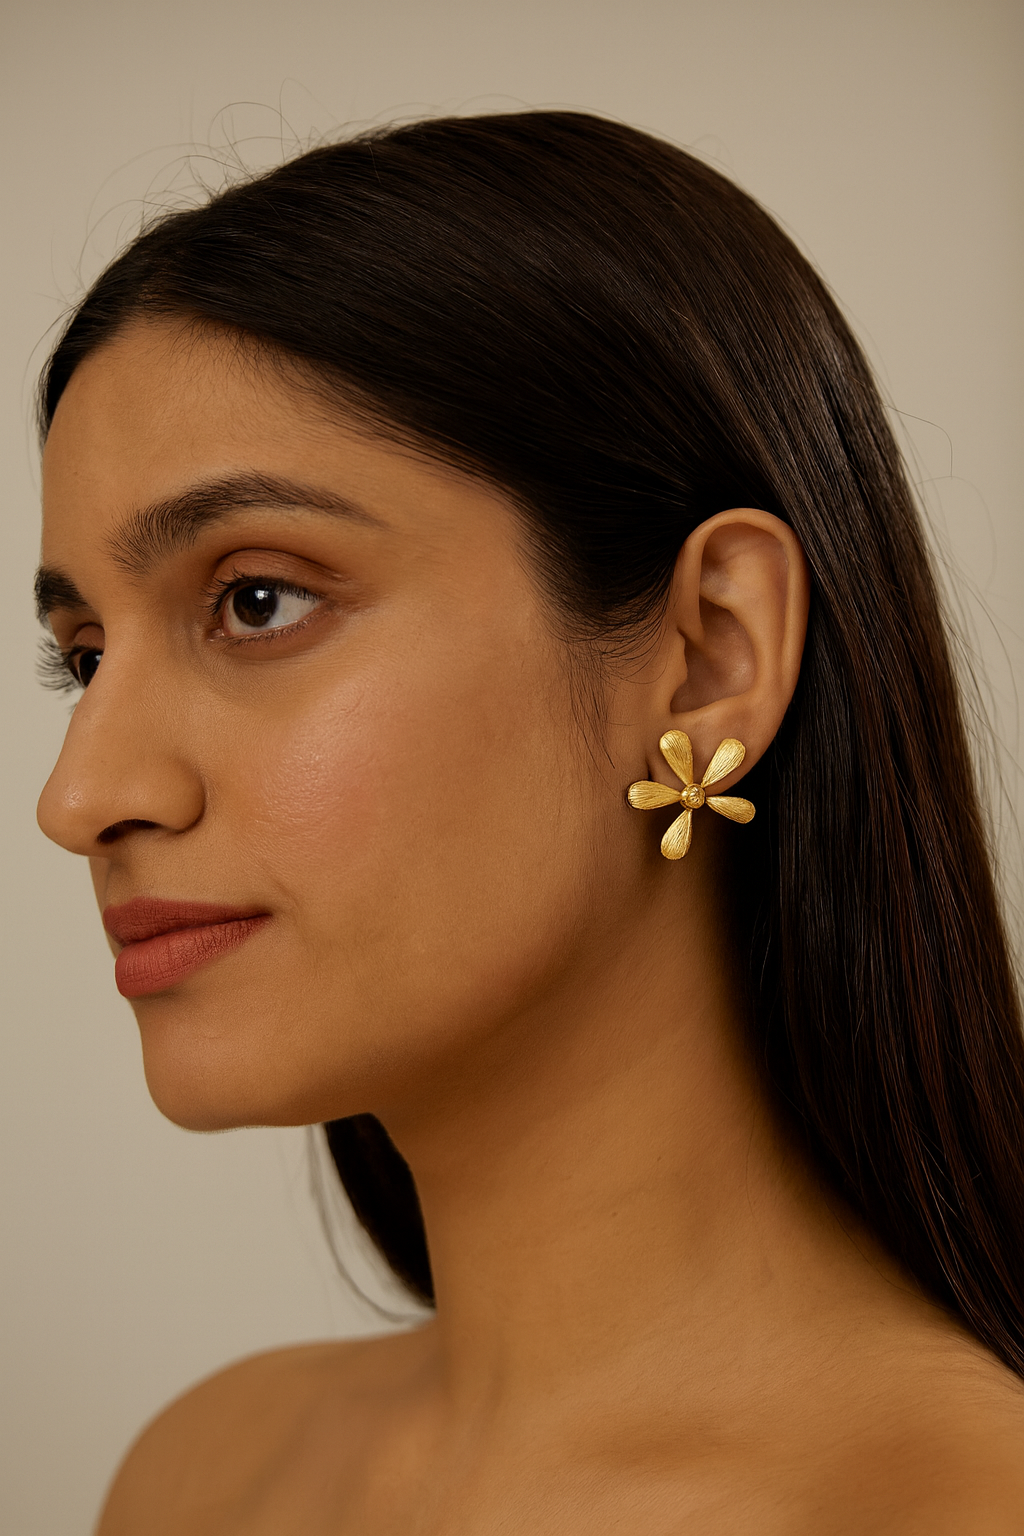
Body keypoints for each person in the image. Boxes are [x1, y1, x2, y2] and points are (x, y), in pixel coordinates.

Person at [34, 111, 1024, 1532]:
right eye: (84, 656)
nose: (79, 797)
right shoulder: (198, 1479)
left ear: (711, 657)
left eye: (257, 600)